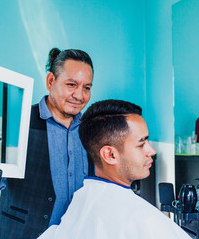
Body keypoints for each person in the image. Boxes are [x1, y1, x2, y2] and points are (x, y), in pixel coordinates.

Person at [0, 48, 95, 238]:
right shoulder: (20, 120)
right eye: (71, 84)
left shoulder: (91, 130)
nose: (80, 95)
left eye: (87, 87)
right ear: (51, 81)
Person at [39, 99, 191, 239]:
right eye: (141, 144)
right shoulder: (144, 219)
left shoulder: (80, 202)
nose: (151, 151)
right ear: (110, 155)